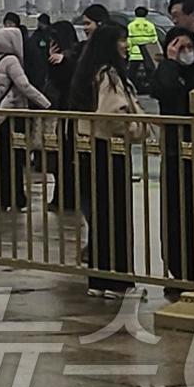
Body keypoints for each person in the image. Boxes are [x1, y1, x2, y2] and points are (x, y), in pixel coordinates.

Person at [69, 23, 144, 299]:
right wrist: (137, 128)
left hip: (92, 150)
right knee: (116, 215)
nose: (126, 45)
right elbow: (113, 114)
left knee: (100, 217)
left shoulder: (88, 71)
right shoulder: (109, 76)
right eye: (121, 40)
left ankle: (99, 279)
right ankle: (118, 281)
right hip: (110, 150)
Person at [150, 26, 194, 293]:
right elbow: (162, 89)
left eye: (188, 47)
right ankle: (177, 272)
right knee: (175, 214)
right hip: (176, 152)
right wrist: (170, 62)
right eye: (178, 47)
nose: (184, 52)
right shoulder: (168, 73)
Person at [0, 26, 51, 212]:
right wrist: (45, 103)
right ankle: (17, 197)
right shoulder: (11, 60)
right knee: (16, 158)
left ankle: (4, 197)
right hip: (15, 113)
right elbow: (24, 86)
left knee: (2, 157)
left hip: (0, 114)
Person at [43, 20, 81, 210]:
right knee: (62, 156)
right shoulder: (63, 56)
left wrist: (63, 61)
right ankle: (62, 196)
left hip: (70, 113)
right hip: (63, 112)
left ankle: (67, 198)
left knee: (68, 157)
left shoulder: (75, 55)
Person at [125, 6, 158, 86]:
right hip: (147, 53)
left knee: (131, 74)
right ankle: (149, 86)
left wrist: (129, 50)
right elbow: (154, 39)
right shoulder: (150, 25)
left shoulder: (131, 25)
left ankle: (132, 88)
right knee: (150, 72)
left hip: (134, 54)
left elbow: (128, 40)